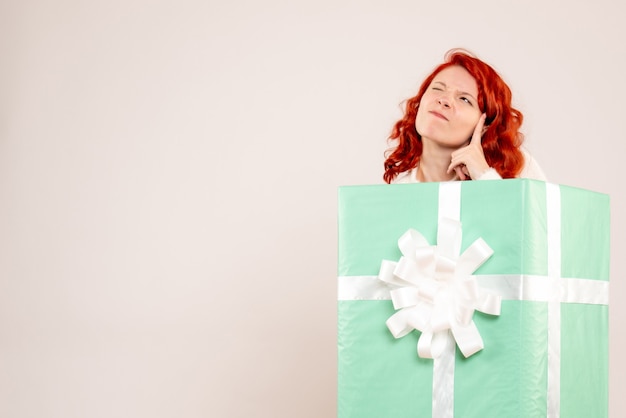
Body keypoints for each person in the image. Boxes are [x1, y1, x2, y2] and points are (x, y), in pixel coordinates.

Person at [383, 49, 546, 184]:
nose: (444, 100)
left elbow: (536, 223)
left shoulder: (518, 167)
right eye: (438, 89)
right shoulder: (399, 191)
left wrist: (484, 176)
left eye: (464, 99)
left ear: (486, 126)